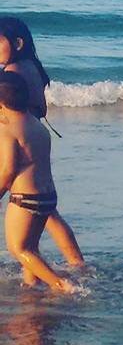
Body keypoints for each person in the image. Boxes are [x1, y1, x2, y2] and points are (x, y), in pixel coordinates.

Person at [0, 18, 85, 269]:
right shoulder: (31, 66)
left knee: (33, 210)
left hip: (20, 143)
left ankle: (66, 267)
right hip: (35, 139)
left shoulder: (13, 72)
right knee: (44, 213)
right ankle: (74, 263)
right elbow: (41, 107)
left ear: (17, 43)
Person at [0, 73, 77, 293]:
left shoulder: (7, 131)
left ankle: (62, 285)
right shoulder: (37, 126)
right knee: (32, 247)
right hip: (47, 197)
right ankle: (31, 284)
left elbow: (8, 169)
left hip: (25, 199)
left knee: (19, 248)